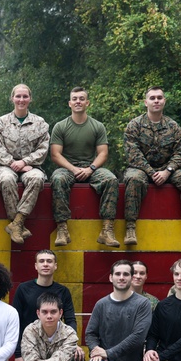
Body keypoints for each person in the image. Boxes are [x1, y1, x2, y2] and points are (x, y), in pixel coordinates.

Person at [122, 86, 181, 246]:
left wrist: (167, 171)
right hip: (141, 169)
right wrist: (151, 173)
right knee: (133, 178)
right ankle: (130, 228)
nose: (156, 101)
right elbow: (133, 154)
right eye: (152, 98)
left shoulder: (173, 127)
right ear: (146, 102)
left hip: (167, 170)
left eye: (159, 97)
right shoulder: (134, 125)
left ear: (164, 101)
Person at [84, 260, 153, 361]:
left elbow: (138, 337)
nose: (121, 277)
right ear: (110, 277)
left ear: (131, 278)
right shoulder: (102, 304)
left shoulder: (142, 304)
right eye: (118, 274)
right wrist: (95, 350)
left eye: (126, 274)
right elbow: (90, 334)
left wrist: (109, 353)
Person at [49, 87, 119, 247]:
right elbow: (55, 155)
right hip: (67, 168)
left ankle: (107, 230)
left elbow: (103, 153)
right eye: (74, 99)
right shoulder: (60, 126)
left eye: (81, 99)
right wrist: (73, 169)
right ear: (69, 103)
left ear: (87, 103)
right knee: (58, 179)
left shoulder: (97, 126)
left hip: (91, 167)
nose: (78, 101)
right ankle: (62, 229)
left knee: (111, 179)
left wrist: (90, 169)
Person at [12, 249, 84, 361]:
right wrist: (18, 353)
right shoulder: (23, 289)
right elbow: (16, 323)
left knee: (78, 357)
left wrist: (74, 344)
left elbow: (70, 320)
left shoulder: (63, 291)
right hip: (32, 345)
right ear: (36, 266)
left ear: (55, 265)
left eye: (49, 261)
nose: (45, 264)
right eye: (42, 261)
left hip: (57, 344)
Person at [0, 84, 49, 245]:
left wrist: (24, 162)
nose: (21, 100)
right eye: (18, 96)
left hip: (32, 166)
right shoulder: (1, 123)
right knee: (6, 179)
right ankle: (17, 225)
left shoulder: (40, 123)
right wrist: (14, 163)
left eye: (25, 96)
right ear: (12, 98)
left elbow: (43, 149)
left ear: (30, 99)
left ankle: (17, 222)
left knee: (37, 179)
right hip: (5, 165)